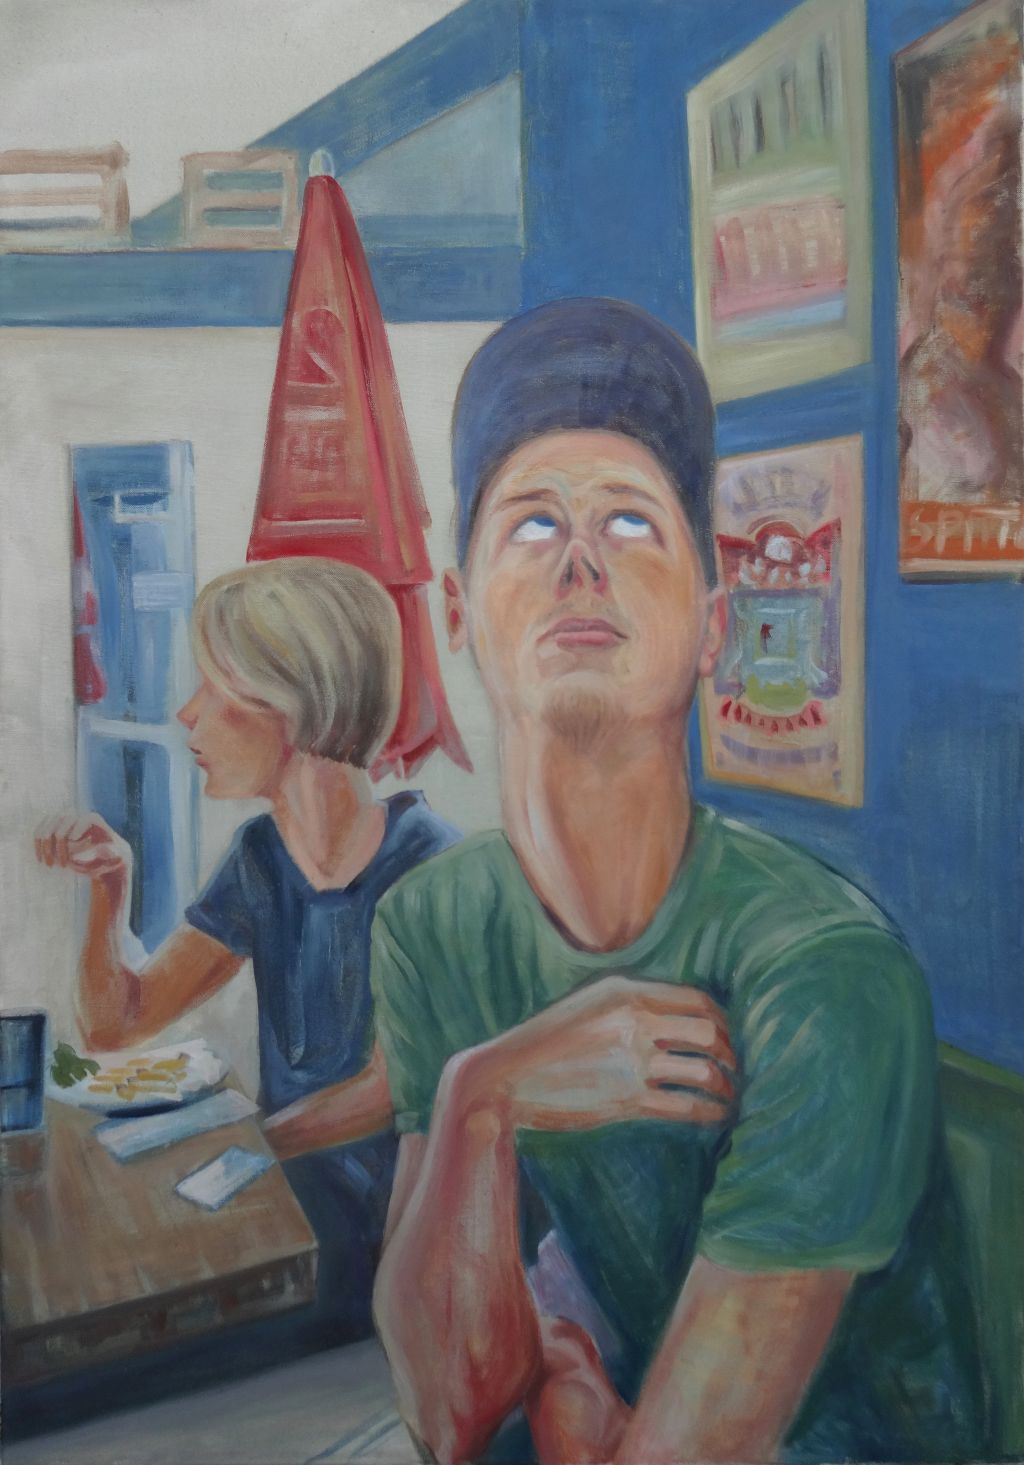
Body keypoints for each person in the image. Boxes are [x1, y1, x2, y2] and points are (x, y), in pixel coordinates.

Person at [369, 299, 986, 1464]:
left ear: (711, 624)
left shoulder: (825, 968)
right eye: (533, 524)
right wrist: (481, 1096)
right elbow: (448, 1408)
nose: (581, 561)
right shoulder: (430, 923)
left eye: (630, 521)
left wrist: (573, 1418)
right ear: (456, 615)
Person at [35, 556, 459, 1343]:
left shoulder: (429, 863)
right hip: (288, 1206)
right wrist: (109, 890)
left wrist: (235, 1141)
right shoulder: (261, 858)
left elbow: (394, 1087)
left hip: (398, 1245)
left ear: (291, 706)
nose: (187, 714)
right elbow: (116, 1023)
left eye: (215, 689)